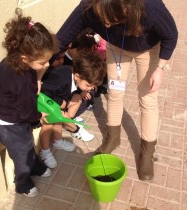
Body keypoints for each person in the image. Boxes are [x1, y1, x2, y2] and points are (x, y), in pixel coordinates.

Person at [55, 0, 178, 181]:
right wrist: (38, 72)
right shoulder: (89, 6)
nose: (105, 25)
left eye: (110, 20)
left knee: (147, 99)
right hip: (117, 49)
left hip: (148, 49)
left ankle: (147, 153)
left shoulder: (150, 7)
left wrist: (160, 69)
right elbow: (62, 38)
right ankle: (113, 138)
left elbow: (171, 35)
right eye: (101, 18)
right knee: (114, 93)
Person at [0, 8, 56, 197]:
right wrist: (39, 116)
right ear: (25, 58)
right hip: (9, 122)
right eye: (42, 63)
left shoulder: (11, 62)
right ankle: (22, 182)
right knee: (21, 155)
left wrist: (36, 76)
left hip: (14, 117)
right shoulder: (22, 79)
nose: (47, 65)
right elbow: (27, 111)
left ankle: (34, 165)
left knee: (26, 144)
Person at [39, 53, 107, 164]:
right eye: (88, 85)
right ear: (77, 76)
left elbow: (75, 88)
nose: (90, 89)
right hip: (45, 102)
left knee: (60, 119)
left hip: (57, 99)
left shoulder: (76, 77)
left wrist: (83, 91)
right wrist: (62, 103)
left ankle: (57, 141)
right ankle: (45, 152)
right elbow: (45, 91)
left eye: (93, 86)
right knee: (48, 125)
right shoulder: (61, 76)